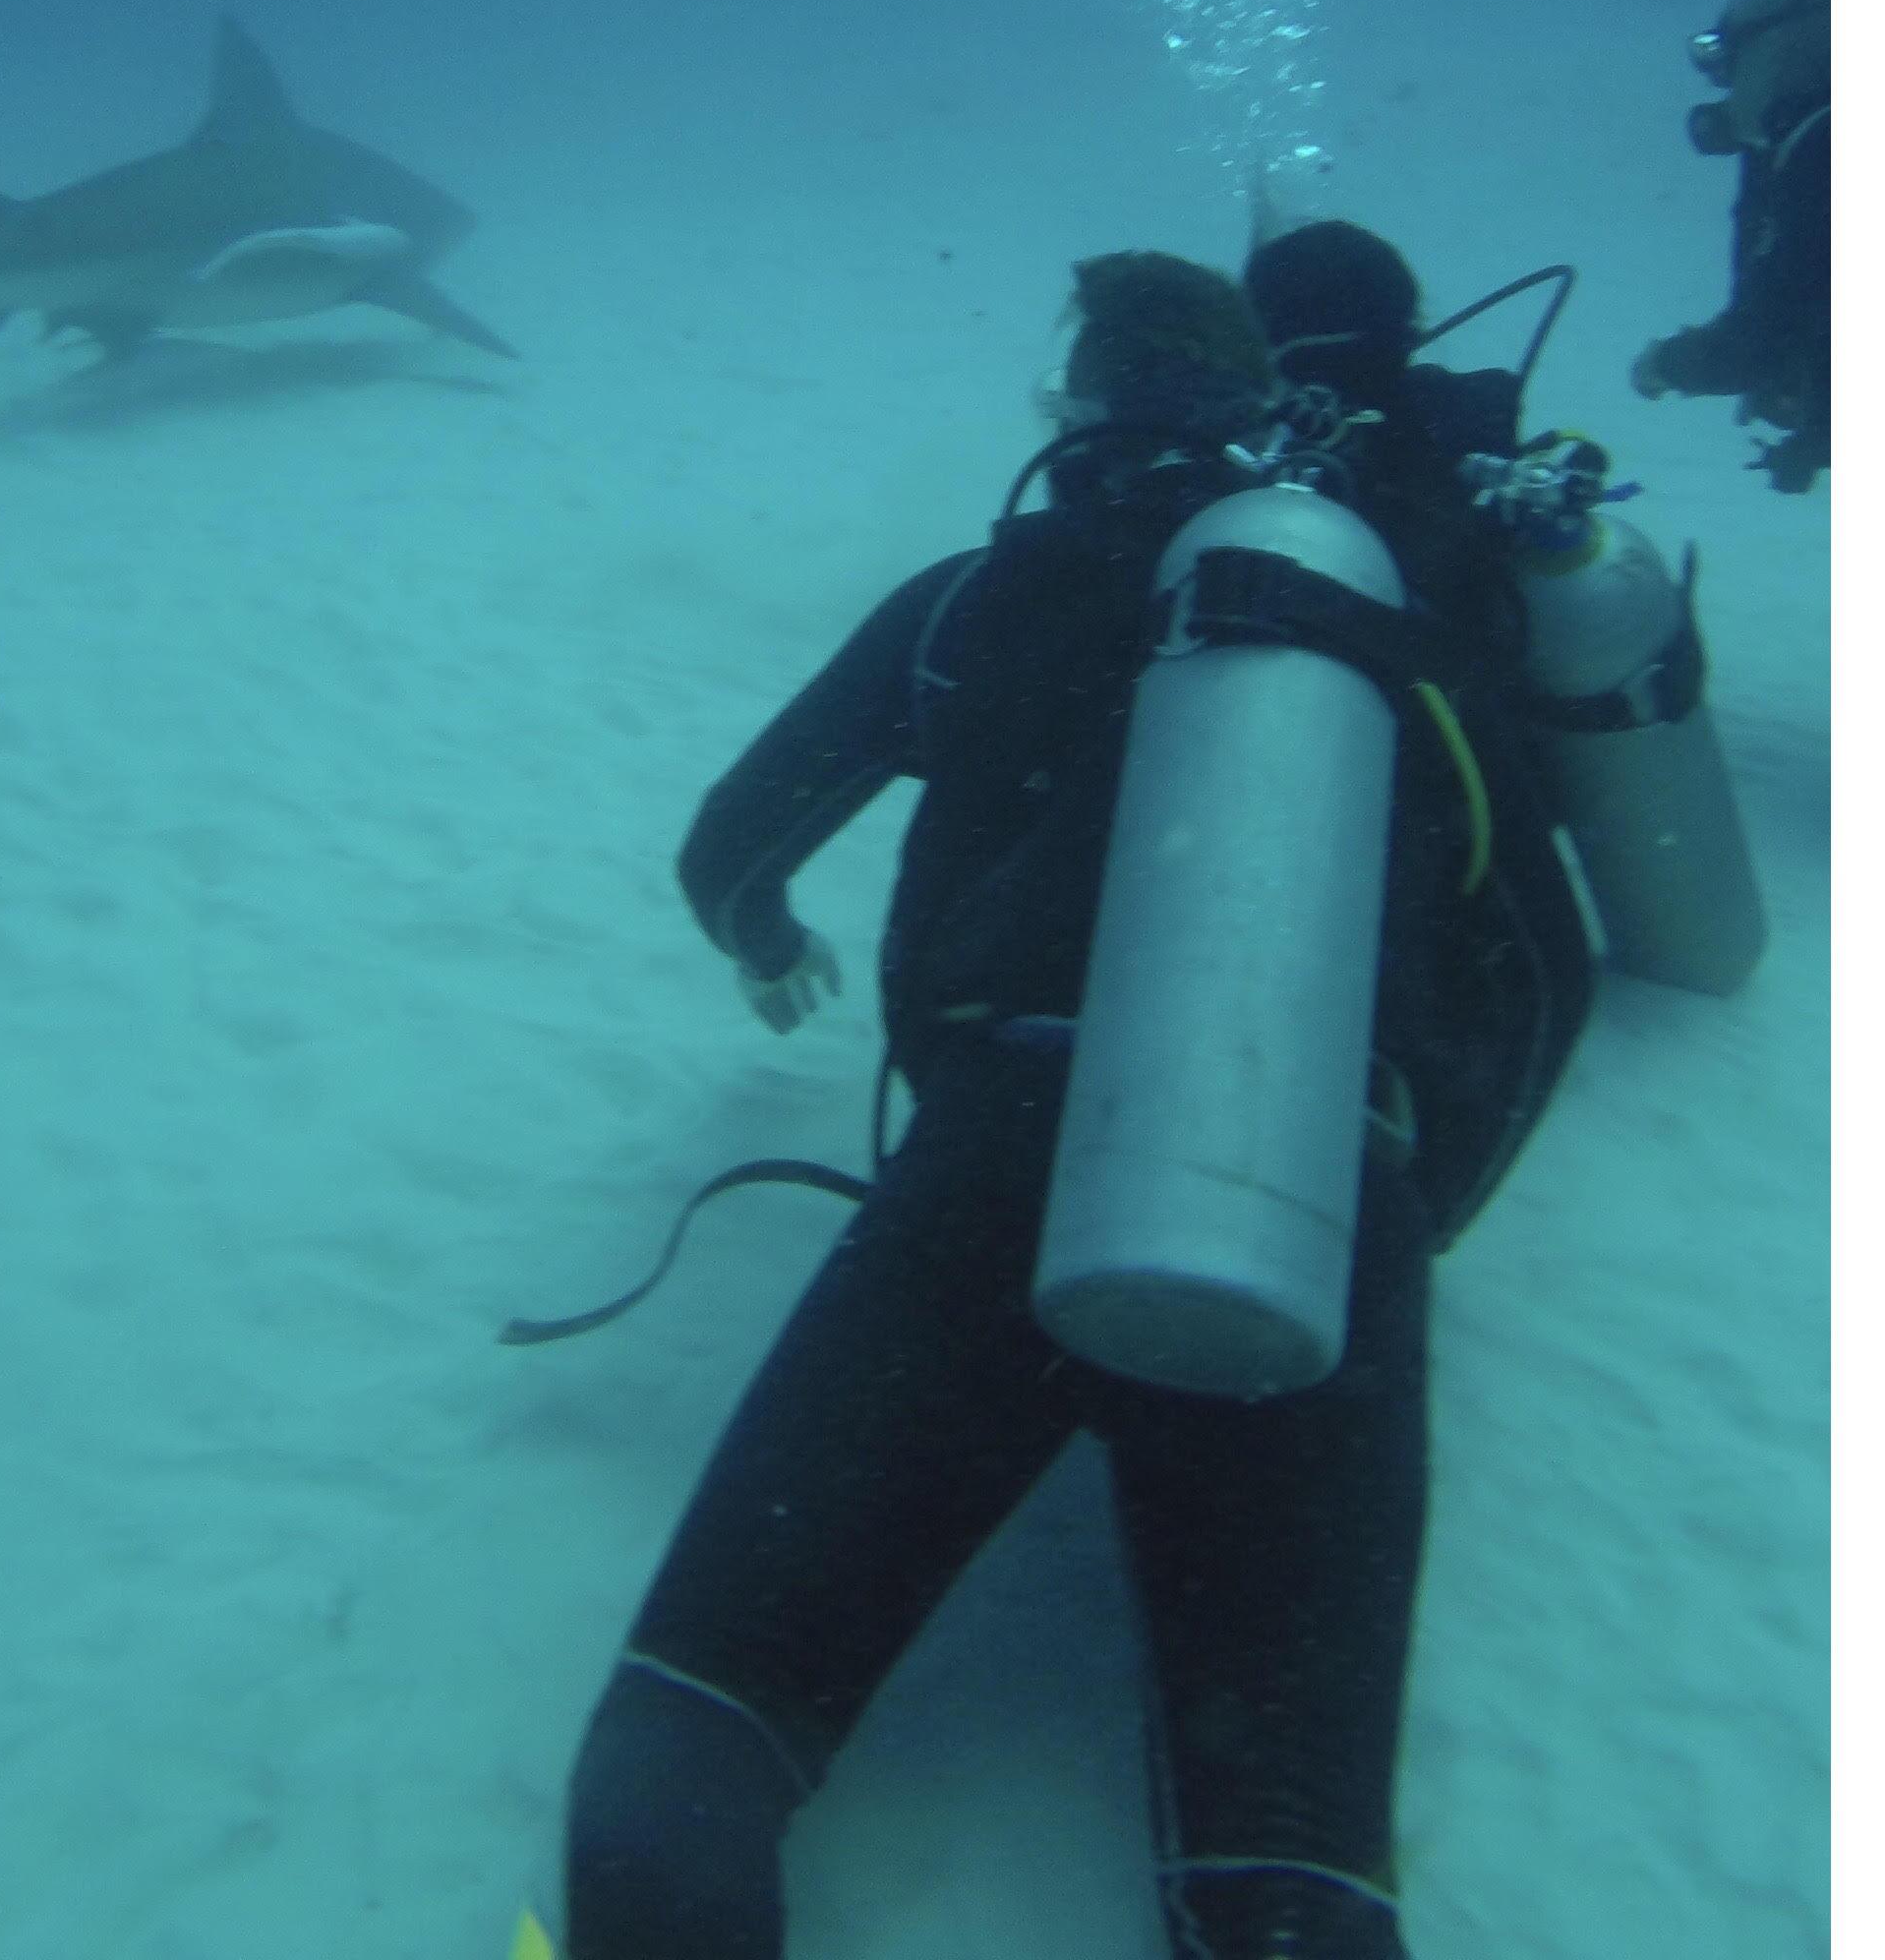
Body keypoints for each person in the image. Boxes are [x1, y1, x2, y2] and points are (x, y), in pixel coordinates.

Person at [541, 231, 1597, 1960]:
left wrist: (764, 937)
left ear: (1074, 406)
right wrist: (1401, 1214)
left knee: (694, 1738)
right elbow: (1548, 973)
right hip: (1330, 1198)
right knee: (1292, 1874)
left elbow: (732, 844)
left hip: (998, 1160)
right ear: (1263, 417)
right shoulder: (1381, 622)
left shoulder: (969, 600)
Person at [1630, 0, 1829, 493]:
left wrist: (1664, 365)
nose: (1727, 85)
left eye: (1730, 62)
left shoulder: (1820, 152)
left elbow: (1759, 338)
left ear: (1783, 46)